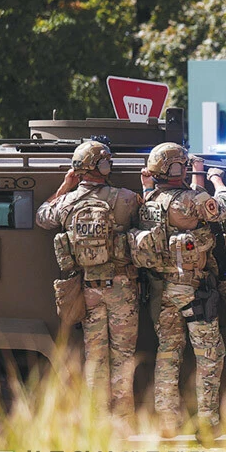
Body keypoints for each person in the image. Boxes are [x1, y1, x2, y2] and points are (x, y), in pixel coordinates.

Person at [131, 142, 226, 439]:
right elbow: (222, 208)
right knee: (210, 354)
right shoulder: (191, 200)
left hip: (161, 288)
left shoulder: (149, 201)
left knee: (168, 352)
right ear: (178, 168)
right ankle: (207, 423)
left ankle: (166, 420)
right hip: (192, 288)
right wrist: (216, 180)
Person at [36, 141, 140, 428]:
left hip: (88, 289)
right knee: (123, 357)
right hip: (123, 288)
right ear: (102, 166)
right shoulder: (127, 198)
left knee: (95, 358)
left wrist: (63, 187)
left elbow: (42, 217)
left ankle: (97, 424)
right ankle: (124, 424)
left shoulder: (67, 203)